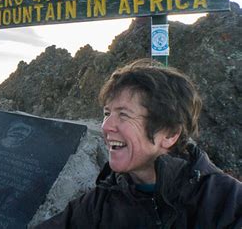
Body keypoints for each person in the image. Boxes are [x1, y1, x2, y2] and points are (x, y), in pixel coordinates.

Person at [36, 59, 241, 228]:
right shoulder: (103, 199)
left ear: (169, 134)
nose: (106, 127)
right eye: (107, 113)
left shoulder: (228, 203)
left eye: (124, 115)